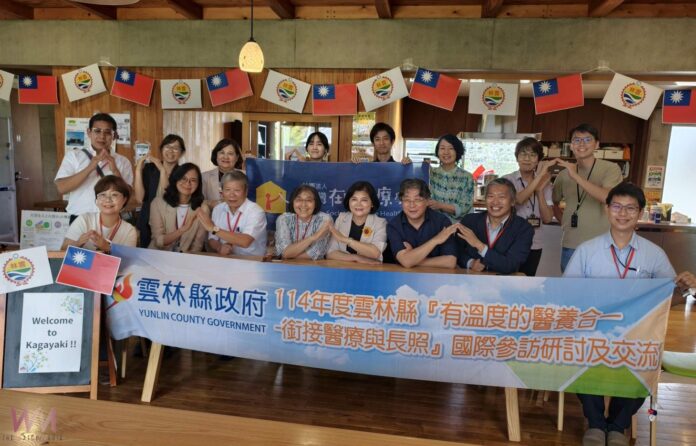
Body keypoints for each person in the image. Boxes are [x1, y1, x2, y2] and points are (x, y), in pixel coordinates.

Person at [563, 182, 678, 446]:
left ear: (640, 213)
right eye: (617, 206)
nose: (623, 213)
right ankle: (595, 424)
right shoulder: (587, 250)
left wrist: (682, 285)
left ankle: (617, 426)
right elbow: (568, 292)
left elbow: (669, 294)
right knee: (578, 354)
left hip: (638, 333)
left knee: (647, 359)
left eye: (630, 208)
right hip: (594, 330)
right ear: (607, 209)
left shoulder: (654, 254)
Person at [553, 123, 623, 272]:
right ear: (571, 145)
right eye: (576, 140)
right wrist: (565, 223)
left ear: (596, 144)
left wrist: (576, 177)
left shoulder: (611, 168)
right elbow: (555, 202)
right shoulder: (563, 175)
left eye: (587, 139)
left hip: (602, 245)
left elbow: (608, 197)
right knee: (570, 286)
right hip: (571, 244)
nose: (581, 144)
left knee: (600, 286)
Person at [55, 113, 133, 222]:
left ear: (114, 135)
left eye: (107, 132)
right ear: (89, 132)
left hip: (111, 218)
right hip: (80, 219)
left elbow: (128, 195)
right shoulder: (74, 156)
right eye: (97, 131)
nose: (102, 136)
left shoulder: (123, 161)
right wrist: (90, 167)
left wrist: (115, 171)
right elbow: (62, 188)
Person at [502, 137, 557, 276]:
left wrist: (540, 191)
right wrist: (539, 177)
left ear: (538, 160)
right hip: (510, 242)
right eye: (523, 154)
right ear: (517, 157)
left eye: (532, 155)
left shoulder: (546, 185)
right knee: (507, 280)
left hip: (535, 242)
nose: (527, 158)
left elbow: (547, 218)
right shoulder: (507, 180)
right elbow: (518, 199)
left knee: (528, 282)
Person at [456, 178, 534, 274]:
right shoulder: (470, 221)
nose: (495, 202)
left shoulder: (523, 228)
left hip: (504, 281)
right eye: (491, 196)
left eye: (501, 197)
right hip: (470, 279)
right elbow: (456, 251)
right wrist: (470, 263)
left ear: (513, 201)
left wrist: (479, 245)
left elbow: (511, 265)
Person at [387, 178, 458, 269]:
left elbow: (450, 262)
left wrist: (412, 258)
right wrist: (435, 240)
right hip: (405, 276)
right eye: (407, 200)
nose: (412, 205)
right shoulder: (394, 225)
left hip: (436, 275)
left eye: (417, 200)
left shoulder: (442, 222)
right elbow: (406, 261)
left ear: (427, 201)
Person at [134, 134, 186, 247]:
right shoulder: (149, 169)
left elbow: (167, 197)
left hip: (170, 224)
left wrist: (162, 170)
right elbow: (140, 198)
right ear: (161, 149)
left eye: (176, 148)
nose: (171, 151)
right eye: (167, 147)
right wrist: (138, 169)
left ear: (182, 152)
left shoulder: (184, 173)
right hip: (147, 222)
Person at [199, 171, 267, 257]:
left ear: (246, 192)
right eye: (227, 190)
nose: (232, 195)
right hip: (226, 258)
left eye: (237, 190)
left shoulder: (256, 211)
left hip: (252, 260)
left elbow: (245, 241)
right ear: (222, 191)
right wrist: (219, 247)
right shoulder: (218, 209)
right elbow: (212, 239)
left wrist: (213, 228)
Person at [61, 175, 137, 252]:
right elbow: (63, 250)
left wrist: (107, 247)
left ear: (124, 200)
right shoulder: (84, 219)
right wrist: (77, 243)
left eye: (114, 195)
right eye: (103, 195)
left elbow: (130, 258)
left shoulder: (129, 231)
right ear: (96, 200)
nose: (108, 200)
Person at [148, 163, 209, 253]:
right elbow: (158, 241)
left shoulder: (203, 208)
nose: (188, 183)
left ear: (198, 184)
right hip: (158, 254)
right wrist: (182, 230)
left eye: (193, 180)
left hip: (186, 257)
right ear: (175, 179)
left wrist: (184, 259)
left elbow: (197, 245)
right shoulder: (157, 203)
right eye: (183, 178)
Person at [327, 181, 387, 264]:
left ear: (372, 203)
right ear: (349, 202)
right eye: (354, 199)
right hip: (343, 268)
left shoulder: (380, 223)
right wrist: (356, 258)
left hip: (369, 269)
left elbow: (375, 253)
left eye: (364, 200)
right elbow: (330, 253)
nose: (358, 204)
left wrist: (346, 240)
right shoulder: (341, 218)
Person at [275, 185, 333, 260]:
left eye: (309, 200)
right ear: (293, 202)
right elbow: (283, 252)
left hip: (314, 265)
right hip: (286, 265)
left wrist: (289, 254)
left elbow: (316, 254)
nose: (303, 204)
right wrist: (313, 237)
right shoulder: (284, 219)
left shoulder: (325, 220)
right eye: (299, 200)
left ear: (315, 203)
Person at [428, 134, 474, 223]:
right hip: (432, 226)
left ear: (457, 151)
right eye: (442, 148)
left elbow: (464, 208)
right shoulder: (430, 173)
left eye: (451, 148)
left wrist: (440, 205)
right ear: (437, 151)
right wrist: (406, 165)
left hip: (456, 227)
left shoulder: (466, 177)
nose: (446, 152)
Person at [201, 138, 245, 205]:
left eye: (230, 154)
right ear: (216, 155)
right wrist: (212, 203)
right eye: (222, 153)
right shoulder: (204, 177)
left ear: (237, 157)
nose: (225, 157)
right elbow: (199, 201)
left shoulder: (245, 175)